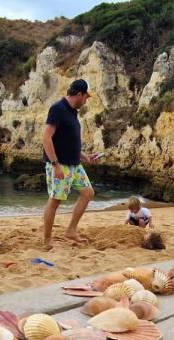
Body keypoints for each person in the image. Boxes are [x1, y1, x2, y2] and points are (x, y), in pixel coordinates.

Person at [41, 78, 100, 250]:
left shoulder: (73, 112)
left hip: (74, 164)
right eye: (86, 97)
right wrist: (55, 164)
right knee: (55, 201)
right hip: (60, 164)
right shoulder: (58, 109)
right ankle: (47, 240)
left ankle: (71, 230)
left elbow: (68, 141)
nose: (86, 101)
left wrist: (85, 157)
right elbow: (46, 138)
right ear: (79, 94)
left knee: (88, 193)